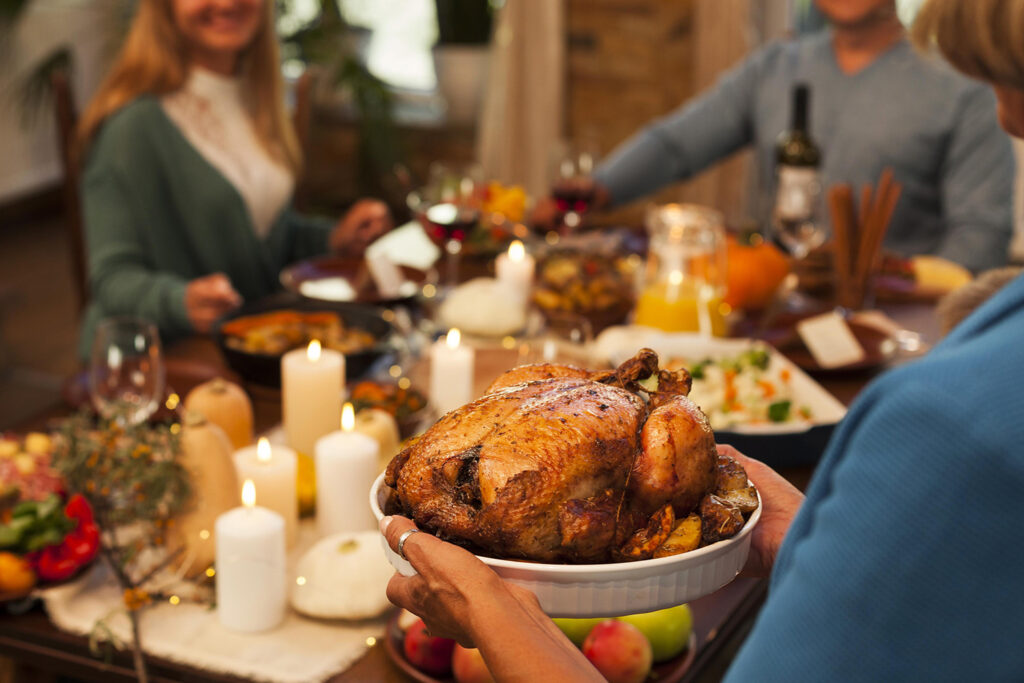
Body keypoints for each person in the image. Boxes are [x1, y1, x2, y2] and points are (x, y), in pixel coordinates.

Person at [381, 3, 1024, 677]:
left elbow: (972, 252)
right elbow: (679, 140)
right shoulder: (783, 64)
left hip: (877, 338)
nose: (1006, 115)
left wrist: (491, 610)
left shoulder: (944, 426)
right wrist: (814, 540)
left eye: (1005, 83)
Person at [536, 0, 1013, 273]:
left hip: (887, 334)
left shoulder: (963, 86)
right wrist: (599, 188)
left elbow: (981, 237)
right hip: (773, 315)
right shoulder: (775, 67)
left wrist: (901, 285)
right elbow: (677, 143)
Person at [76, 0, 392, 357]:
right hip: (156, 369)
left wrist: (333, 239)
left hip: (252, 350)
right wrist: (179, 302)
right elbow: (111, 279)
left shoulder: (257, 100)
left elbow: (260, 240)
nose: (226, 2)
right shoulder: (131, 127)